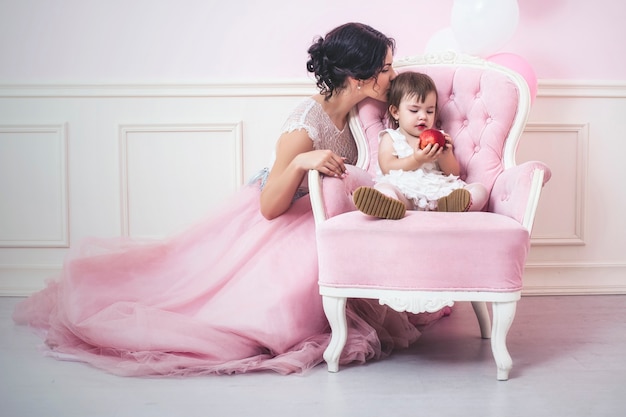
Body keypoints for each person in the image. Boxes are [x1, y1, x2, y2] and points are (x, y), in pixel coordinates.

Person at [13, 23, 441, 377]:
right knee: (257, 308)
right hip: (279, 214)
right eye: (386, 69)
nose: (392, 75)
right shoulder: (303, 127)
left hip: (321, 209)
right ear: (358, 76)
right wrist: (302, 161)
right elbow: (269, 206)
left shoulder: (360, 113)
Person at [352, 71, 489, 220]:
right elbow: (387, 167)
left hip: (439, 193)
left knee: (480, 190)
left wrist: (446, 155)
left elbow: (453, 174)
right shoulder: (391, 137)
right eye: (414, 110)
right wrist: (416, 159)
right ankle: (388, 204)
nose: (423, 116)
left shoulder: (439, 137)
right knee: (384, 189)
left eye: (430, 111)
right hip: (406, 196)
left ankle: (454, 205)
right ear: (396, 112)